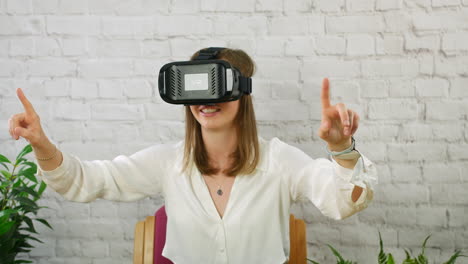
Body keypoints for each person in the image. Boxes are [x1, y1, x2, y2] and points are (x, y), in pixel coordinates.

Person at [8, 48, 377, 264]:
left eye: (218, 85)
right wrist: (42, 144)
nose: (206, 100)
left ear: (242, 92)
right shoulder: (169, 162)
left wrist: (339, 148)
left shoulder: (279, 161)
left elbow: (343, 202)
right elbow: (86, 182)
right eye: (196, 87)